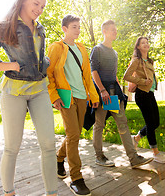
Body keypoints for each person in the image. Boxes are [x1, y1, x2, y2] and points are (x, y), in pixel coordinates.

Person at [0, 0, 58, 196]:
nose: (40, 9)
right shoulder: (3, 28)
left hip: (39, 89)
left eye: (42, 6)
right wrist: (8, 66)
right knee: (12, 147)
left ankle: (52, 193)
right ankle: (9, 192)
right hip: (14, 91)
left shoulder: (40, 28)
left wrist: (45, 63)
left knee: (49, 143)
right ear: (23, 1)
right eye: (36, 3)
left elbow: (36, 55)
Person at [47, 14, 99, 196]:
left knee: (73, 134)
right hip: (66, 97)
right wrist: (54, 96)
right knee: (74, 134)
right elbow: (49, 74)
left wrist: (92, 96)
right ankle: (76, 178)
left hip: (82, 97)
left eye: (78, 26)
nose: (78, 29)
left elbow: (87, 76)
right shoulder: (56, 47)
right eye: (74, 26)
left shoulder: (82, 49)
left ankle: (59, 158)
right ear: (65, 28)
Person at [90, 20, 153, 168]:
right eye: (112, 30)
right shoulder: (97, 49)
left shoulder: (114, 52)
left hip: (113, 94)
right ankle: (99, 156)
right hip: (102, 93)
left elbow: (113, 74)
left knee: (122, 123)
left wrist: (117, 87)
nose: (115, 32)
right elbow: (94, 72)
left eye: (115, 30)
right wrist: (102, 90)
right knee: (99, 125)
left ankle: (133, 158)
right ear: (104, 31)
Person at [123, 36, 165, 164]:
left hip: (150, 93)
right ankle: (156, 153)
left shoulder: (149, 61)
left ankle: (137, 138)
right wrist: (142, 81)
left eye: (147, 42)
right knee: (151, 123)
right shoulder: (136, 60)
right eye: (142, 43)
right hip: (142, 94)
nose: (146, 44)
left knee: (155, 122)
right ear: (138, 46)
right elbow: (126, 76)